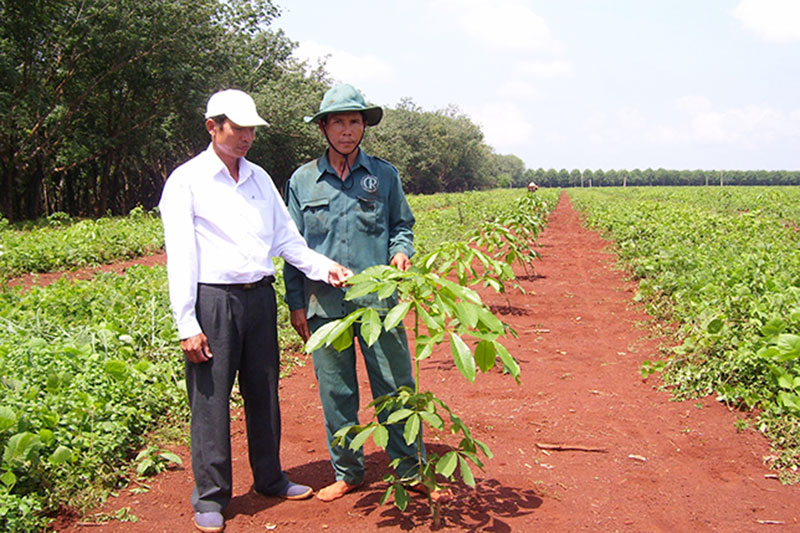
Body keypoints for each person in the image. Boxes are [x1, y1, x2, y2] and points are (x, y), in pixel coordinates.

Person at [159, 88, 352, 533]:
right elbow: (182, 257)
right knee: (210, 401)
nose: (247, 136)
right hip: (214, 301)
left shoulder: (260, 178)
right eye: (238, 128)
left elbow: (286, 240)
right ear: (213, 127)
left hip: (259, 297)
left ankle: (269, 477)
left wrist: (325, 268)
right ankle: (211, 496)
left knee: (264, 392)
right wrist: (187, 322)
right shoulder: (187, 181)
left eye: (251, 129)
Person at [283, 84, 420, 502]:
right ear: (323, 127)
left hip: (379, 305)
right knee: (336, 391)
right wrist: (294, 304)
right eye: (338, 122)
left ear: (364, 127)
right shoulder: (303, 181)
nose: (347, 130)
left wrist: (400, 252)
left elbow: (402, 226)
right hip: (325, 307)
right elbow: (292, 248)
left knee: (394, 384)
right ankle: (348, 471)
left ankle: (410, 470)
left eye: (354, 121)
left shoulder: (385, 175)